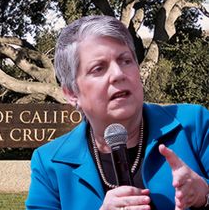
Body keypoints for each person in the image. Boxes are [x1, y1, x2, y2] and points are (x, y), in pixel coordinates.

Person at [25, 15, 209, 210]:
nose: (118, 74)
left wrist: (204, 195)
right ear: (71, 93)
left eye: (125, 60)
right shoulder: (48, 164)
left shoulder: (195, 125)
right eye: (98, 68)